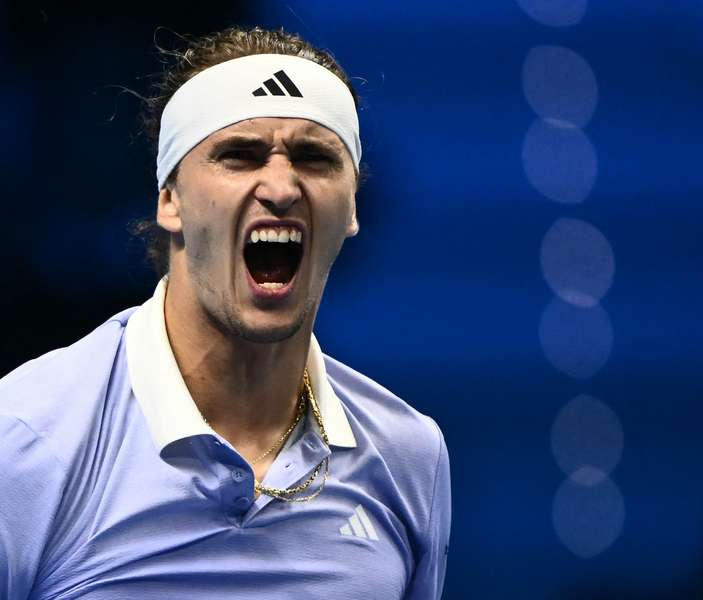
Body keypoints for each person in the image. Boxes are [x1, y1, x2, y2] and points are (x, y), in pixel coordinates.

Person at [0, 26, 450, 599]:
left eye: (315, 158)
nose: (282, 186)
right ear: (170, 199)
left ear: (353, 207)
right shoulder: (24, 439)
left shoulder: (408, 454)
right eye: (240, 156)